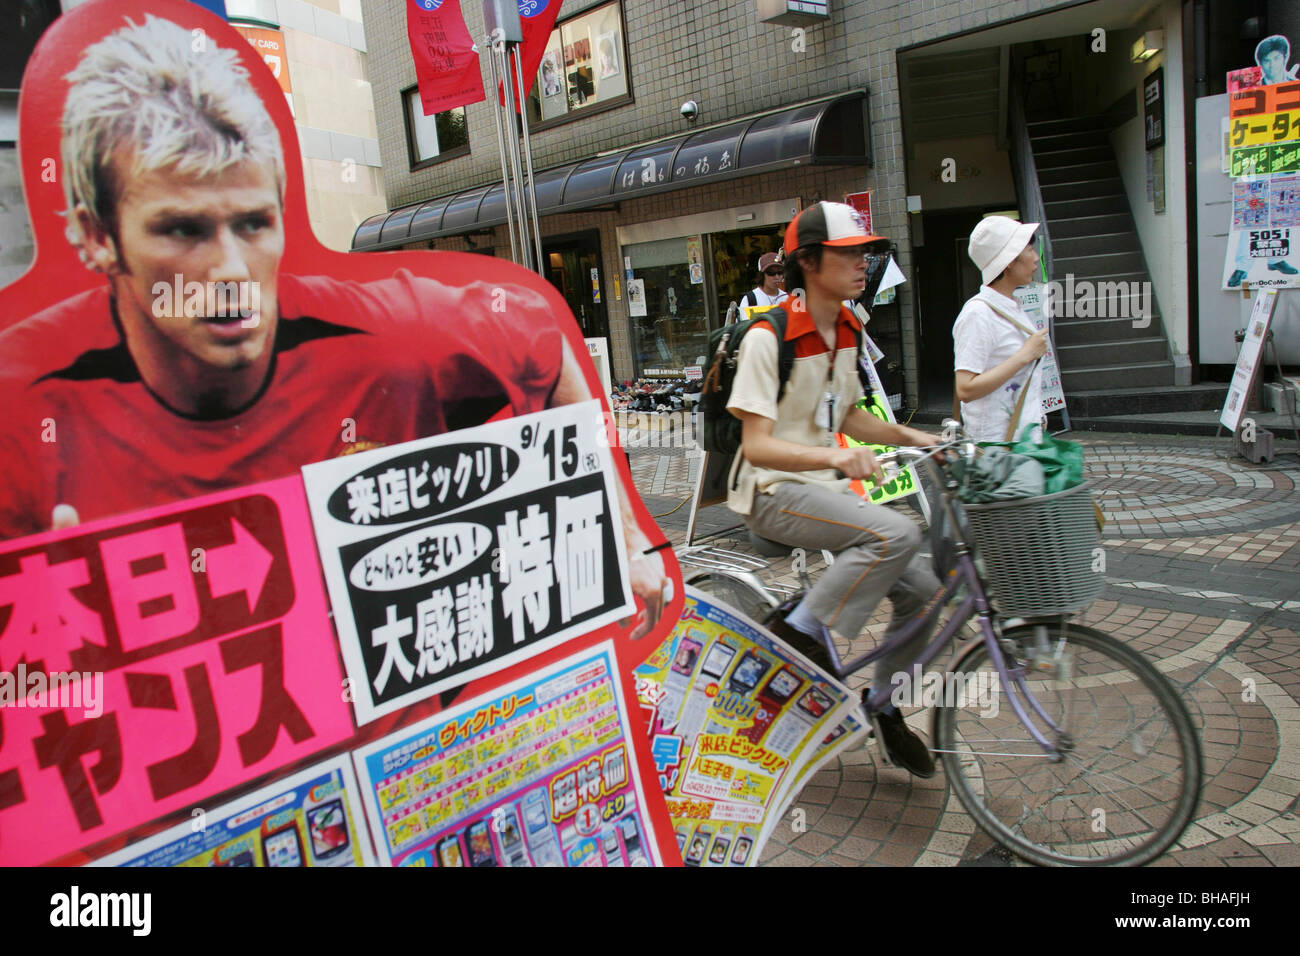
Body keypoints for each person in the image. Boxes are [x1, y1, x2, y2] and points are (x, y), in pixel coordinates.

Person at [0, 15, 668, 633]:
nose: (232, 269)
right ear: (97, 236)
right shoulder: (22, 404)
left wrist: (624, 533)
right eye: (183, 230)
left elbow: (540, 341)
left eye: (254, 223)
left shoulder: (377, 328)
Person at [725, 202, 944, 777]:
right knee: (895, 532)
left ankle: (882, 704)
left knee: (924, 589)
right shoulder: (767, 336)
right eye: (849, 253)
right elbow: (757, 445)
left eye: (865, 252)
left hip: (825, 489)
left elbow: (848, 413)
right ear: (810, 262)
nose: (863, 262)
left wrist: (913, 436)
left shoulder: (847, 327)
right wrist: (836, 455)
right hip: (771, 490)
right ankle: (797, 638)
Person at [952, 216, 1050, 443]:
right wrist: (1024, 355)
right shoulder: (978, 314)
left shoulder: (1011, 306)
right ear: (1008, 262)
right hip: (998, 452)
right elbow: (965, 389)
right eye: (1028, 250)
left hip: (1022, 444)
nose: (1036, 258)